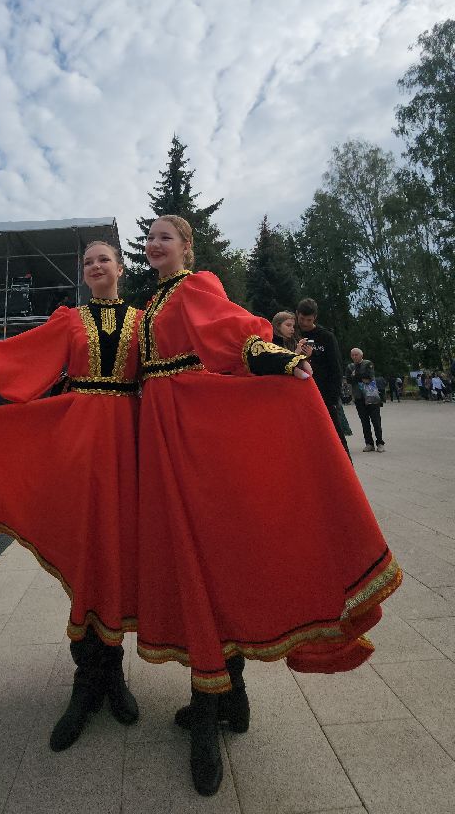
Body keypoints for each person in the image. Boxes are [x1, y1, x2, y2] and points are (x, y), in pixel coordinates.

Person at [136, 216, 401, 797]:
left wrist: (276, 359)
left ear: (186, 247)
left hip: (192, 430)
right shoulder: (152, 302)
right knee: (197, 554)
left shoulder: (194, 285)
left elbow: (236, 332)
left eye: (165, 237)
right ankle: (231, 696)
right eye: (149, 236)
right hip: (162, 432)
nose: (153, 243)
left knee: (205, 553)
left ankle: (209, 710)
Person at [0, 241, 141, 752]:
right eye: (87, 261)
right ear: (84, 273)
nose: (95, 266)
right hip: (79, 443)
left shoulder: (146, 319)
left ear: (119, 268)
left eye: (103, 259)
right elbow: (17, 360)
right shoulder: (69, 321)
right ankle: (86, 680)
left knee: (118, 548)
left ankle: (112, 673)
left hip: (131, 444)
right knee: (85, 546)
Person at [295, 298, 351, 456]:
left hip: (324, 396)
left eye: (309, 320)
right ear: (297, 314)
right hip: (299, 396)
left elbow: (335, 368)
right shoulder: (292, 334)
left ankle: (347, 470)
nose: (305, 323)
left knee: (335, 437)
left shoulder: (326, 337)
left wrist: (333, 399)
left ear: (315, 318)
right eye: (302, 319)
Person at [346, 349, 385, 452]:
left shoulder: (368, 363)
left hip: (371, 396)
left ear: (361, 355)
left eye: (356, 355)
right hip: (359, 397)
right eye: (352, 355)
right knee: (364, 421)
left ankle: (380, 443)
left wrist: (355, 376)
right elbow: (349, 380)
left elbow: (369, 377)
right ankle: (369, 443)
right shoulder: (350, 367)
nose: (354, 357)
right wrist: (358, 377)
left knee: (376, 421)